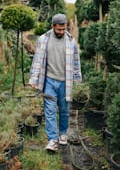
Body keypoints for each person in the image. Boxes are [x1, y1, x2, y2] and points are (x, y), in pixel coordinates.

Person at [29, 13, 82, 152]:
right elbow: (37, 60)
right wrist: (34, 79)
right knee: (50, 111)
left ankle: (63, 134)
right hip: (50, 82)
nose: (61, 32)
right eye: (59, 29)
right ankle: (52, 140)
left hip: (66, 83)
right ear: (53, 26)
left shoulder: (71, 41)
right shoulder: (43, 39)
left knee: (64, 111)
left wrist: (78, 81)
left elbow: (76, 62)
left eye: (63, 29)